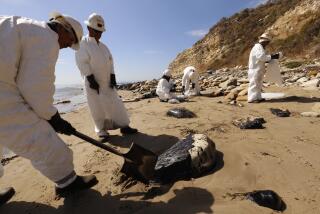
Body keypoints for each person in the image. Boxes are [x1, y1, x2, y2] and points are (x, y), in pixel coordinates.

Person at [0, 13, 98, 200]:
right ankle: (67, 182)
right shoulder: (46, 37)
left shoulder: (21, 24)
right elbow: (33, 87)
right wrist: (53, 117)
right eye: (70, 42)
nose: (67, 46)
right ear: (63, 29)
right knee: (38, 135)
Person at [75, 13, 137, 139]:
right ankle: (101, 131)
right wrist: (90, 78)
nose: (99, 34)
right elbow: (82, 62)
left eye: (100, 31)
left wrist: (113, 76)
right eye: (96, 31)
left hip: (107, 81)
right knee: (97, 106)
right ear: (89, 28)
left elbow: (110, 62)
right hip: (92, 81)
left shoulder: (104, 47)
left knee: (116, 103)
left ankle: (124, 126)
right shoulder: (83, 43)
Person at [248, 33, 280, 103]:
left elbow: (261, 58)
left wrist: (270, 59)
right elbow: (261, 57)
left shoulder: (260, 47)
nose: (267, 44)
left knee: (258, 84)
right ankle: (251, 99)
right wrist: (272, 57)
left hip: (258, 69)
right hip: (255, 69)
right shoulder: (258, 47)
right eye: (267, 42)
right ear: (264, 41)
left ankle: (258, 97)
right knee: (254, 84)